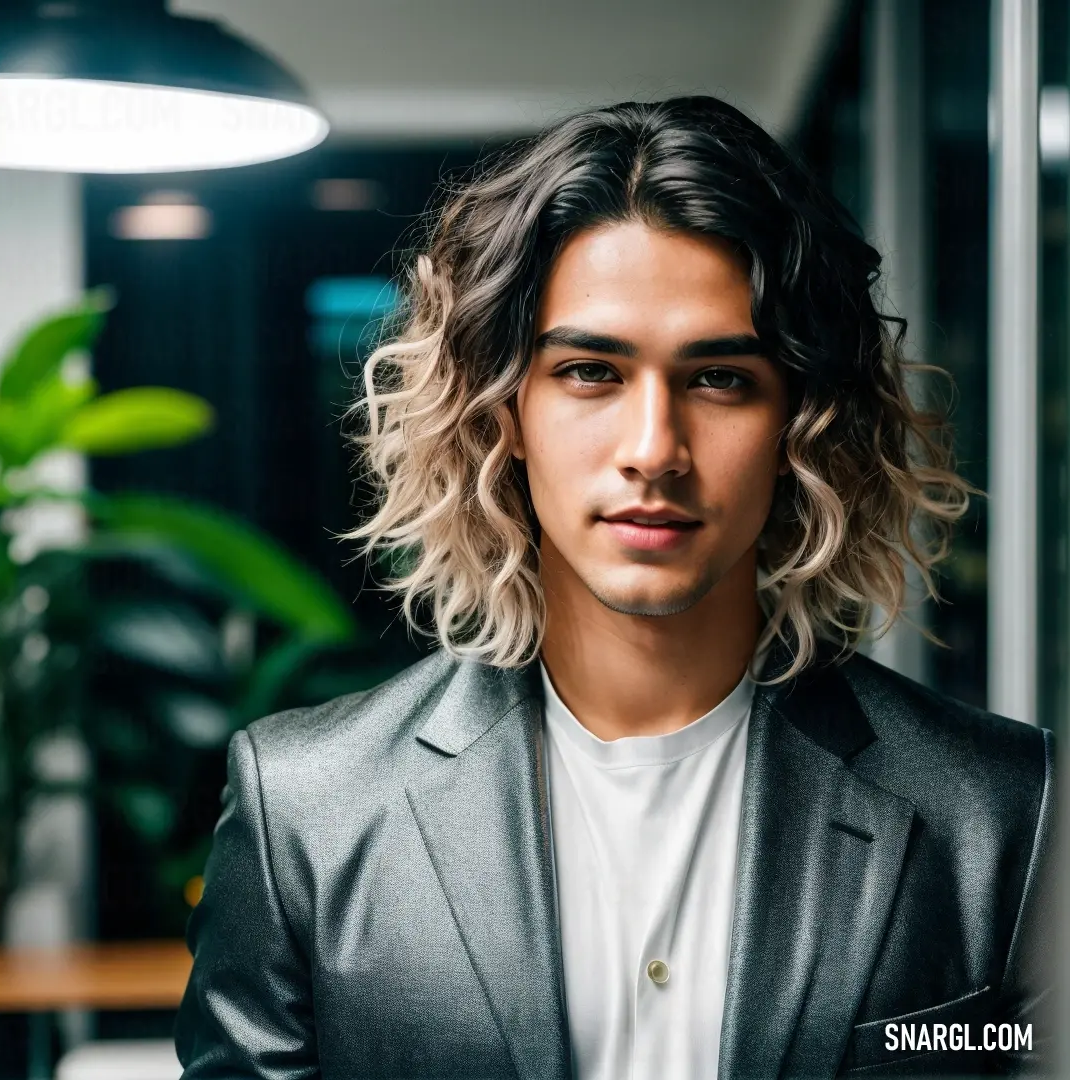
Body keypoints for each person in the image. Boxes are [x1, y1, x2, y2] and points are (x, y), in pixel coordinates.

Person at [174, 96, 1056, 1079]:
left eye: (719, 378)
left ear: (799, 423)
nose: (654, 451)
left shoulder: (1002, 814)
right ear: (502, 411)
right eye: (592, 371)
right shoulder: (307, 811)